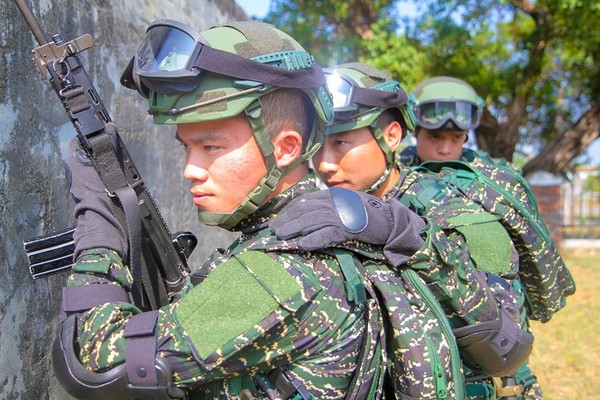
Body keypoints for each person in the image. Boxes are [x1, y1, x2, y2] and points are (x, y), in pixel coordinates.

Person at [54, 21, 429, 399]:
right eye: (187, 147)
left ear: (285, 148)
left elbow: (94, 359)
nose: (190, 170)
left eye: (211, 147)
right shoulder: (299, 235)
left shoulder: (281, 272)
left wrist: (99, 227)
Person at [271, 63, 543, 399]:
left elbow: (507, 341)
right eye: (318, 146)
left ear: (392, 137)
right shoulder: (327, 207)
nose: (325, 163)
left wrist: (409, 236)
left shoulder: (456, 214)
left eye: (341, 142)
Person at [398, 76, 516, 170]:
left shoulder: (486, 170)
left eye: (456, 137)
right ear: (414, 131)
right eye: (435, 137)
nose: (445, 150)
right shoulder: (398, 166)